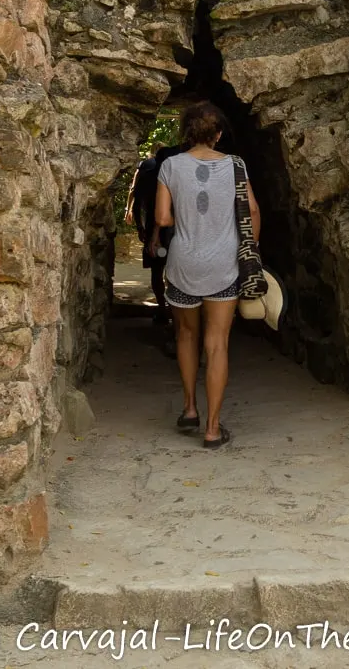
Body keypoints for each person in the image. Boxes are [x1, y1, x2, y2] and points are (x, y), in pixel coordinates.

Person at [152, 102, 259, 449]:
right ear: (217, 134)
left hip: (184, 264)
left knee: (185, 335)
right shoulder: (236, 166)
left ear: (186, 133)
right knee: (217, 344)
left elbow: (163, 219)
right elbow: (252, 211)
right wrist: (250, 252)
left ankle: (189, 408)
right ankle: (213, 429)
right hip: (223, 265)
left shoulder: (169, 166)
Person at [125, 141, 186, 327]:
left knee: (157, 271)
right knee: (177, 274)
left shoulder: (148, 176)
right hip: (178, 232)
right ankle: (176, 315)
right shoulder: (182, 176)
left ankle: (162, 309)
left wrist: (141, 229)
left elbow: (137, 202)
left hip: (155, 230)